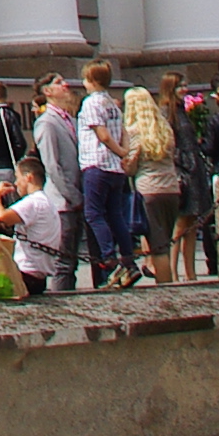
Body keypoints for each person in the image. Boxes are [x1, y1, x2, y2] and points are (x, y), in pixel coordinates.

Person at [77, 64, 135, 288]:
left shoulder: (91, 103)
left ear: (91, 80)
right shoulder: (113, 103)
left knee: (93, 214)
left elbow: (102, 134)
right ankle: (128, 257)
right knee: (115, 214)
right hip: (115, 169)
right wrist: (125, 153)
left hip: (96, 163)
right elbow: (123, 132)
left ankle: (109, 258)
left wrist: (119, 151)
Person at [129, 77, 187, 283]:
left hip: (149, 190)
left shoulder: (135, 132)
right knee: (166, 242)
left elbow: (132, 164)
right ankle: (167, 282)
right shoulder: (165, 129)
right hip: (171, 189)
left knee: (158, 247)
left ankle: (165, 288)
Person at [34, 77, 88, 292]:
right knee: (62, 263)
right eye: (58, 82)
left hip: (76, 197)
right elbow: (52, 165)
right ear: (47, 91)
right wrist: (72, 195)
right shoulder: (46, 122)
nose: (65, 85)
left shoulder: (70, 120)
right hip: (62, 202)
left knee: (72, 262)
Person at [0, 154, 66, 298]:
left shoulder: (33, 202)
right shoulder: (48, 202)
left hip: (26, 273)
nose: (16, 183)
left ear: (29, 177)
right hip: (39, 275)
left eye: (18, 177)